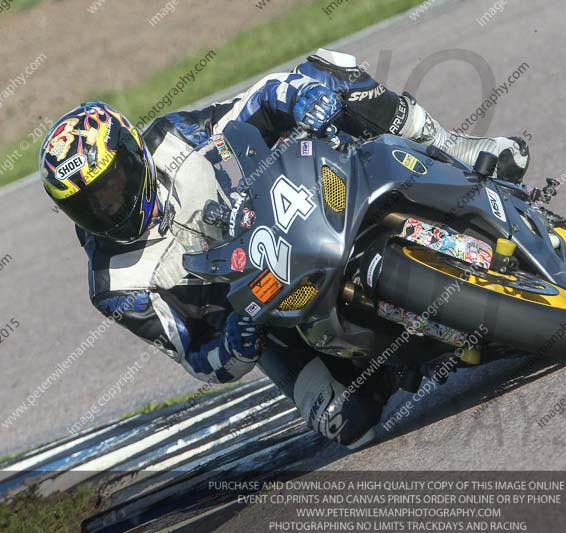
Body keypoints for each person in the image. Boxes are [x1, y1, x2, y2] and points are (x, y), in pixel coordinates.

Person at [39, 49, 530, 447]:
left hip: (293, 207)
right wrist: (231, 347)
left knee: (326, 69)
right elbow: (194, 356)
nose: (110, 208)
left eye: (112, 186)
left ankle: (458, 149)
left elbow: (252, 103)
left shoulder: (170, 138)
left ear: (133, 154)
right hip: (263, 312)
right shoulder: (115, 285)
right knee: (345, 422)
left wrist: (303, 98)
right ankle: (385, 358)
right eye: (89, 206)